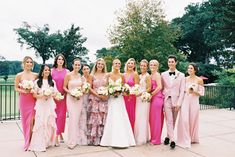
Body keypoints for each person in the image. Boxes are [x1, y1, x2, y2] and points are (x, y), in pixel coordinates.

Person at [100, 59, 136, 148]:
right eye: (116, 63)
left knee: (120, 117)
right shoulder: (108, 74)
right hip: (112, 99)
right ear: (112, 64)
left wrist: (122, 91)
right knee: (111, 117)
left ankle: (122, 140)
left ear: (120, 65)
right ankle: (109, 140)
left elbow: (124, 87)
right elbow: (105, 87)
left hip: (119, 99)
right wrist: (109, 91)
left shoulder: (122, 75)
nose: (117, 64)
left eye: (119, 63)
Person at [28, 65, 57, 152]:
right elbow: (34, 95)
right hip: (41, 104)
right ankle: (39, 143)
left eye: (48, 70)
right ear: (42, 71)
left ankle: (47, 142)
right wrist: (43, 95)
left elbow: (55, 93)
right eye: (45, 70)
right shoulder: (37, 82)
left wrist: (49, 95)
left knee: (48, 122)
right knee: (40, 122)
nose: (47, 71)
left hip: (50, 104)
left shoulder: (52, 82)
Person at [177, 63, 204, 148]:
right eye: (188, 68)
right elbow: (181, 91)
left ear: (195, 70)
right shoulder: (184, 79)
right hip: (185, 100)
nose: (189, 69)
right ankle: (185, 139)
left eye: (191, 68)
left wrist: (194, 92)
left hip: (194, 101)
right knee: (184, 120)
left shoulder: (199, 80)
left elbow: (201, 93)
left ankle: (192, 138)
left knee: (192, 120)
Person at [161, 55, 185, 149]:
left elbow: (182, 90)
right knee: (169, 120)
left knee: (174, 120)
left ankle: (167, 136)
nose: (170, 63)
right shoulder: (163, 74)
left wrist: (179, 103)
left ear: (176, 62)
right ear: (168, 63)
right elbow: (162, 87)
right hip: (167, 99)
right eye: (169, 62)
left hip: (176, 100)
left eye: (172, 61)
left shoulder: (181, 75)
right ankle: (172, 140)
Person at [14, 56, 37, 151]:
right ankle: (27, 142)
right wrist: (24, 91)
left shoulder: (35, 75)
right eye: (27, 62)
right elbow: (16, 88)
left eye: (31, 62)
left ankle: (33, 141)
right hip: (24, 100)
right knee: (25, 122)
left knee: (32, 121)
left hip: (33, 100)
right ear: (23, 63)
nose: (29, 64)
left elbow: (43, 81)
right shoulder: (19, 75)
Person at [63, 58, 84, 149]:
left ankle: (77, 139)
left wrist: (81, 93)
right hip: (70, 99)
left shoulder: (80, 75)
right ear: (72, 65)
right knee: (72, 118)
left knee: (77, 119)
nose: (77, 66)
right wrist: (71, 93)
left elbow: (83, 87)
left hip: (79, 99)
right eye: (76, 64)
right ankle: (71, 141)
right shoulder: (68, 75)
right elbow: (64, 87)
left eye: (79, 65)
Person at [87, 58, 108, 145]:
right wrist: (97, 95)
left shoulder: (106, 75)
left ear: (104, 66)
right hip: (94, 98)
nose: (100, 65)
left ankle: (103, 138)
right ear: (96, 65)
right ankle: (94, 139)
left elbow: (108, 86)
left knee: (102, 117)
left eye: (102, 64)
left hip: (104, 99)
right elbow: (89, 87)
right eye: (98, 64)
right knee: (95, 118)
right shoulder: (92, 75)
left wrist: (105, 94)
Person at [51, 54, 68, 146]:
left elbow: (68, 84)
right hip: (53, 97)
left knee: (61, 117)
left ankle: (57, 135)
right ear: (56, 61)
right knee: (54, 117)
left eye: (62, 59)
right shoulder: (51, 71)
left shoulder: (67, 71)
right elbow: (49, 83)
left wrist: (64, 93)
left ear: (64, 61)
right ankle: (58, 134)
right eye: (59, 59)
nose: (60, 61)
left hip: (63, 97)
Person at [134, 59, 151, 145]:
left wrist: (141, 93)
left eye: (144, 66)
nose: (142, 67)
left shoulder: (147, 76)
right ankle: (137, 136)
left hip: (144, 98)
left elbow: (149, 88)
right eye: (141, 65)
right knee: (138, 117)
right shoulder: (139, 75)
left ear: (147, 67)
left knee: (143, 118)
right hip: (138, 99)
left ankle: (142, 138)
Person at [149, 59, 164, 145]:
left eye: (154, 65)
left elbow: (159, 87)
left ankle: (156, 140)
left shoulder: (157, 75)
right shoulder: (151, 75)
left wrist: (151, 94)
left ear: (157, 66)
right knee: (152, 119)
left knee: (156, 120)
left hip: (157, 98)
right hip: (152, 98)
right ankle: (153, 138)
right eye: (151, 65)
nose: (152, 66)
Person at [123, 58, 139, 132]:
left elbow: (137, 86)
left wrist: (130, 92)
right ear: (127, 64)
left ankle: (131, 133)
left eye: (132, 64)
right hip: (123, 97)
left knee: (131, 114)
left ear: (134, 66)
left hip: (131, 97)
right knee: (124, 114)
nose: (130, 65)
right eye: (129, 63)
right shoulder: (123, 74)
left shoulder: (135, 74)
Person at [77, 64, 92, 145]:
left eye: (87, 68)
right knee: (83, 117)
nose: (86, 70)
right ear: (82, 70)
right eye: (84, 69)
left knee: (90, 117)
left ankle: (90, 135)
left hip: (91, 98)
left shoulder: (91, 77)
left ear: (89, 69)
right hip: (83, 98)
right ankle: (82, 137)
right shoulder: (81, 78)